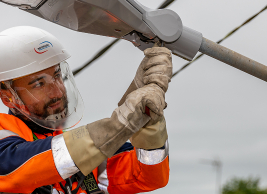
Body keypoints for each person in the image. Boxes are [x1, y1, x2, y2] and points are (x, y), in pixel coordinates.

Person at [0, 26, 172, 194]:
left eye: (57, 76)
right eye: (39, 84)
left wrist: (146, 116)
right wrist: (117, 124)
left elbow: (147, 176)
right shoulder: (11, 142)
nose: (57, 92)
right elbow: (16, 165)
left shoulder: (75, 150)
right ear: (7, 96)